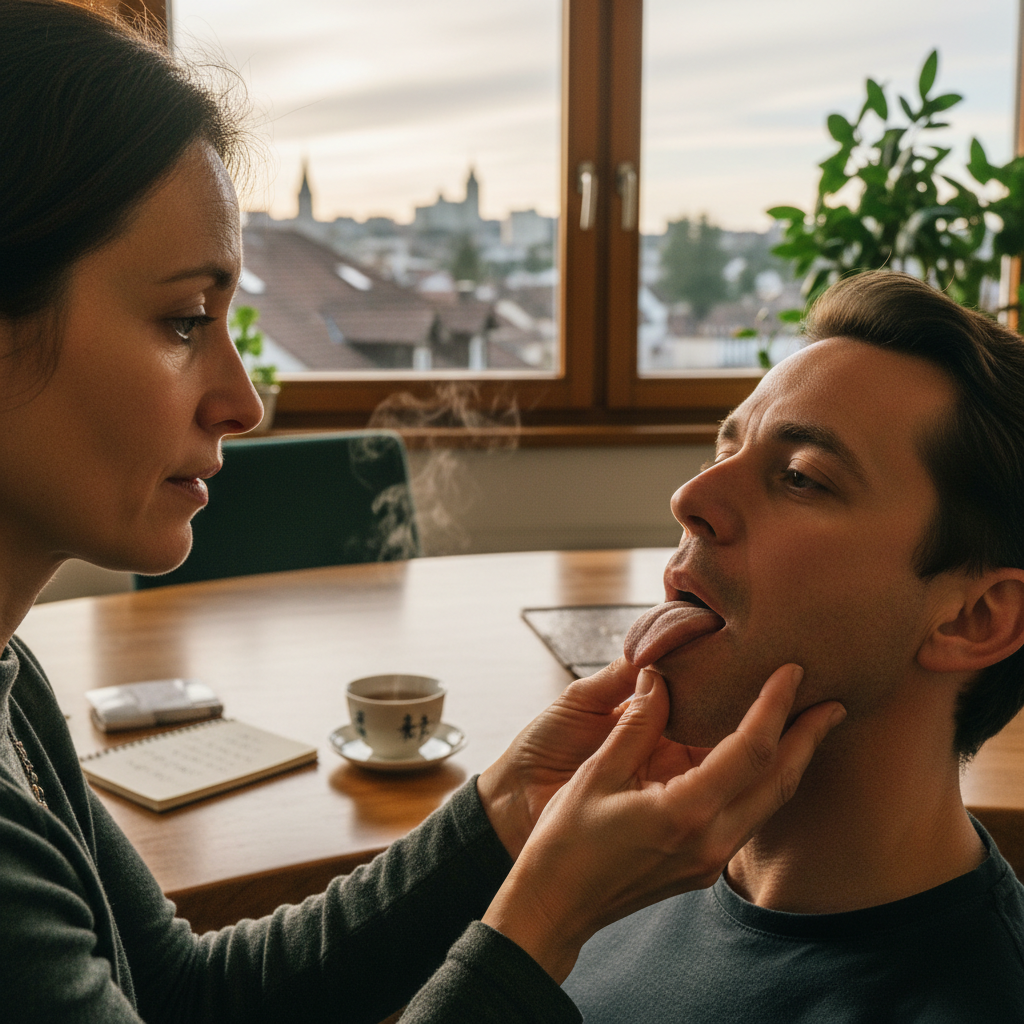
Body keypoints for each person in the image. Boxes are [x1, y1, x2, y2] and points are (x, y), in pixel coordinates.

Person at [0, 3, 845, 1020]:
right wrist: (543, 916)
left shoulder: (12, 676)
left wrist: (503, 814)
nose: (244, 400)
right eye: (184, 320)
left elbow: (184, 994)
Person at [562, 270, 1024, 1020]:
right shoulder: (608, 871)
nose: (691, 499)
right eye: (725, 450)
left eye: (803, 478)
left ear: (973, 619)